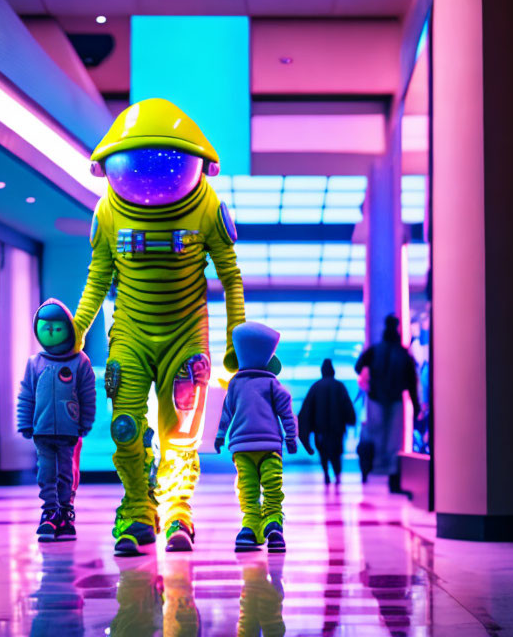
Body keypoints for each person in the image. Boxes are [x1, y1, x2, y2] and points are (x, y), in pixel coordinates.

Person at [72, 98, 275, 555]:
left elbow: (230, 274)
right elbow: (98, 277)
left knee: (182, 428)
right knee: (125, 425)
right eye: (138, 164)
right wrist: (78, 329)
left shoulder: (207, 208)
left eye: (165, 163)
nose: (151, 177)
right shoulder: (107, 212)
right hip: (130, 331)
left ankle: (178, 509)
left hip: (186, 332)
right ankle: (138, 507)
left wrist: (235, 339)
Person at [215, 322, 302, 553]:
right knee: (272, 485)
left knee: (248, 488)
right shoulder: (273, 383)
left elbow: (226, 413)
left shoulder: (235, 384)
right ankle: (273, 522)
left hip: (241, 447)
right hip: (270, 446)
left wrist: (220, 436)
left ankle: (251, 526)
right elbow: (286, 411)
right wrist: (291, 438)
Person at [17, 299, 96, 542]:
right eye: (46, 328)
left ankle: (66, 512)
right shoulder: (35, 363)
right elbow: (26, 395)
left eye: (57, 328)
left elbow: (87, 394)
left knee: (66, 473)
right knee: (46, 472)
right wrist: (25, 422)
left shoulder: (80, 362)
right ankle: (50, 511)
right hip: (42, 432)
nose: (51, 333)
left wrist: (85, 421)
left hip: (68, 431)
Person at [354, 314, 421, 491]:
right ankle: (392, 473)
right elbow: (412, 383)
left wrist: (370, 376)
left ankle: (370, 468)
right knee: (394, 439)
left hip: (376, 398)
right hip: (396, 400)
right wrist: (416, 405)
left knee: (375, 434)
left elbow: (358, 365)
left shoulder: (375, 350)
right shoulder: (403, 353)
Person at [298, 359, 357, 485]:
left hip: (320, 430)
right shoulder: (339, 387)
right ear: (333, 371)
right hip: (337, 429)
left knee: (323, 454)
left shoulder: (315, 387)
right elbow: (347, 405)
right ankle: (337, 475)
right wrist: (351, 421)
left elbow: (307, 410)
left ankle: (326, 474)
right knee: (336, 453)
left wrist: (306, 431)